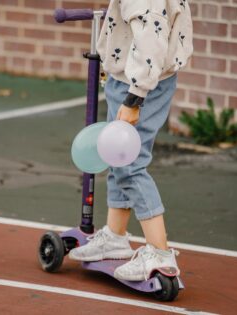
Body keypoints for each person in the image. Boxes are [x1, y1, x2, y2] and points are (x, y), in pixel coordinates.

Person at [69, 0, 193, 281]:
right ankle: (114, 236)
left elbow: (151, 41)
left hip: (139, 84)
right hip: (134, 78)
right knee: (118, 157)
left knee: (130, 165)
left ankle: (160, 253)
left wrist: (135, 97)